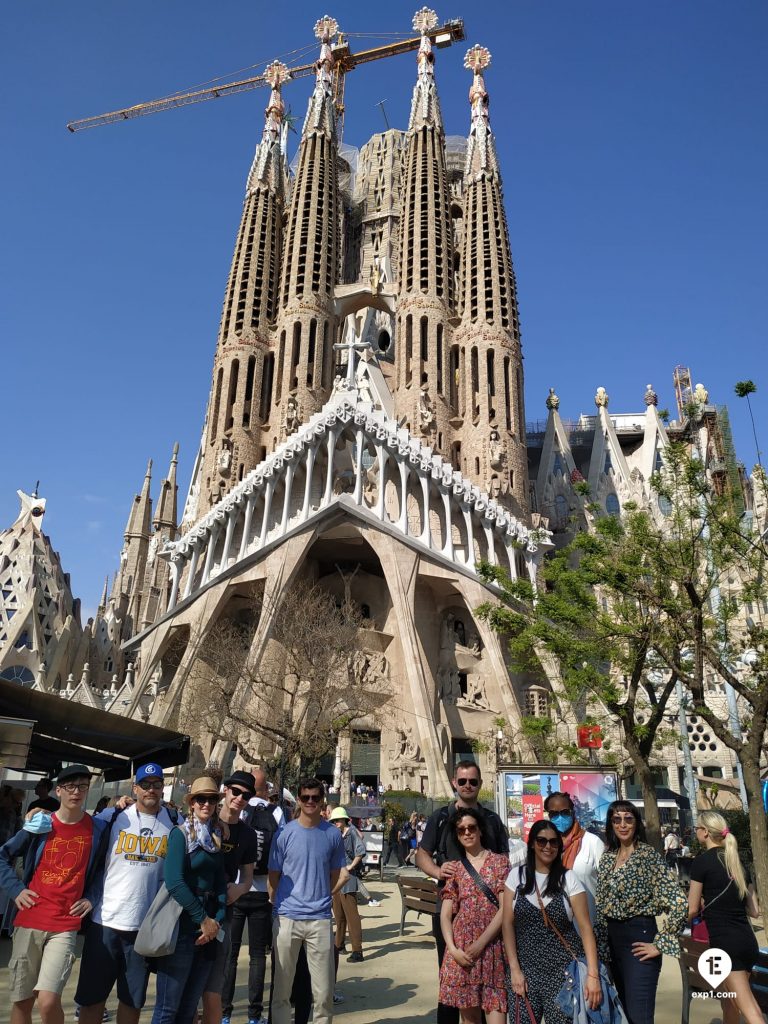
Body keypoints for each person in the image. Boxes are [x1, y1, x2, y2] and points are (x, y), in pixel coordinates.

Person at [0, 765, 107, 1024]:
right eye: (70, 786)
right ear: (58, 790)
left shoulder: (98, 829)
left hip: (65, 924)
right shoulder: (41, 823)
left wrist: (91, 898)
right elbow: (3, 855)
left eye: (82, 785)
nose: (76, 791)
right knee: (23, 1001)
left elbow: (105, 870)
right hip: (30, 919)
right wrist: (16, 889)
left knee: (48, 1001)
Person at [75, 764, 177, 1024]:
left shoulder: (175, 822)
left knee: (132, 1001)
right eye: (145, 784)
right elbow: (79, 826)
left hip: (143, 929)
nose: (151, 789)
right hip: (105, 922)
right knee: (92, 999)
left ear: (162, 788)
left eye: (156, 784)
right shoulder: (113, 817)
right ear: (135, 788)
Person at [416, 760, 512, 1024]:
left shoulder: (491, 819)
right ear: (454, 783)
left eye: (472, 781)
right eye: (462, 781)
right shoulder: (440, 817)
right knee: (452, 979)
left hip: (489, 913)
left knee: (490, 981)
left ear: (480, 784)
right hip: (451, 906)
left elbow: (504, 858)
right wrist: (438, 872)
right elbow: (421, 855)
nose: (467, 785)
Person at [595, 800, 687, 1024]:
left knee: (639, 1016)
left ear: (637, 823)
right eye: (617, 820)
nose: (623, 824)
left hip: (640, 936)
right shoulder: (607, 858)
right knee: (623, 1015)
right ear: (611, 824)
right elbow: (601, 905)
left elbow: (679, 902)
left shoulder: (649, 856)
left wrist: (661, 943)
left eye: (628, 819)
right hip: (611, 942)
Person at [502, 819, 602, 1024]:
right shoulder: (516, 877)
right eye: (541, 841)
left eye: (554, 842)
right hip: (525, 971)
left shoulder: (569, 879)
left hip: (563, 974)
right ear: (531, 844)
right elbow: (507, 925)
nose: (548, 847)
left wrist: (593, 975)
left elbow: (585, 929)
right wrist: (514, 970)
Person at [268, 776, 346, 1024]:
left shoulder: (332, 834)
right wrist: (280, 905)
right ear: (299, 800)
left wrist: (320, 895)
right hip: (288, 916)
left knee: (323, 993)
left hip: (319, 919)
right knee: (281, 989)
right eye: (305, 797)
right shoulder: (284, 834)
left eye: (315, 797)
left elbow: (335, 875)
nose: (310, 802)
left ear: (323, 800)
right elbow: (274, 875)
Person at [150, 776, 227, 1024]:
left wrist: (216, 921)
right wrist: (202, 918)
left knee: (188, 1009)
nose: (206, 804)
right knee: (167, 1009)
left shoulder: (215, 838)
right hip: (182, 927)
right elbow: (174, 881)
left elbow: (220, 885)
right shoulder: (179, 835)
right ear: (191, 803)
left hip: (209, 931)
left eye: (212, 799)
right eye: (201, 799)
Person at [688, 811, 763, 1024]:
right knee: (730, 1001)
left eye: (697, 828)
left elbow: (692, 909)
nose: (696, 832)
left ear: (704, 833)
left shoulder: (701, 863)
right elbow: (754, 911)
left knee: (752, 1012)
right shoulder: (738, 862)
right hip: (747, 942)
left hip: (725, 945)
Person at [439, 808, 508, 1024]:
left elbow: (505, 909)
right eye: (461, 830)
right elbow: (446, 915)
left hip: (492, 948)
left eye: (471, 827)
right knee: (469, 1021)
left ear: (480, 830)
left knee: (497, 1013)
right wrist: (452, 949)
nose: (467, 833)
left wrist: (481, 943)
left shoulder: (500, 863)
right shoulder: (456, 869)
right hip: (462, 951)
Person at [222, 769, 281, 1024]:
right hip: (261, 891)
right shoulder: (276, 812)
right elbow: (280, 855)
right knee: (258, 956)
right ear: (266, 788)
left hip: (233, 891)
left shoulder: (234, 809)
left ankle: (224, 1012)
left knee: (230, 954)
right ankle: (254, 1016)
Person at [201, 771, 258, 1024]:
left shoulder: (247, 834)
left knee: (216, 980)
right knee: (188, 984)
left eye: (246, 795)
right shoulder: (202, 821)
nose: (239, 798)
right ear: (225, 790)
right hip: (195, 907)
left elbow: (247, 876)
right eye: (236, 792)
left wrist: (241, 888)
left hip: (224, 909)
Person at [544, 791, 604, 921]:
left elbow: (607, 886)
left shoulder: (592, 842)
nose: (560, 818)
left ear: (573, 813)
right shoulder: (545, 847)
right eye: (554, 814)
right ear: (549, 816)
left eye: (565, 812)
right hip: (555, 928)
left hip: (587, 924)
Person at [329, 807, 366, 962]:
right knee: (339, 915)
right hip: (337, 878)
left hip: (348, 878)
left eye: (338, 820)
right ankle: (339, 945)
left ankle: (357, 950)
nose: (335, 822)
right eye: (334, 820)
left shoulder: (351, 832)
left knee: (352, 916)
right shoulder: (337, 834)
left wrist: (351, 866)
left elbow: (360, 851)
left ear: (344, 820)